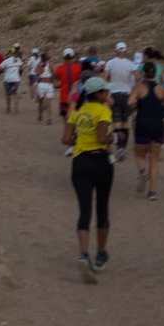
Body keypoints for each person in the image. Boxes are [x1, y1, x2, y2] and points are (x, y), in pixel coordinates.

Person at [62, 76, 115, 283]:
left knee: (84, 211)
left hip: (80, 162)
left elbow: (65, 139)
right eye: (105, 91)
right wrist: (115, 138)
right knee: (102, 208)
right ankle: (101, 253)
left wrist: (81, 139)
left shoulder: (76, 112)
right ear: (98, 94)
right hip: (101, 162)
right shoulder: (103, 111)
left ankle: (84, 254)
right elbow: (102, 137)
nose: (107, 94)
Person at [128, 61, 164, 200]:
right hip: (157, 125)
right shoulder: (162, 89)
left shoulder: (138, 87)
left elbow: (129, 103)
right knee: (154, 160)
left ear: (143, 72)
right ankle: (152, 191)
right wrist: (163, 103)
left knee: (139, 154)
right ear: (155, 73)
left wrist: (138, 106)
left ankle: (143, 172)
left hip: (142, 123)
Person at [103, 42, 138, 160]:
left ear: (116, 51)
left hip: (114, 95)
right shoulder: (130, 63)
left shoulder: (110, 63)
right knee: (125, 123)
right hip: (127, 95)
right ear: (126, 51)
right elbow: (138, 76)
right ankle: (124, 148)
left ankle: (120, 148)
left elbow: (105, 77)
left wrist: (107, 92)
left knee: (116, 124)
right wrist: (134, 89)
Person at [53, 49, 84, 121]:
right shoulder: (79, 68)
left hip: (64, 98)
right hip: (77, 98)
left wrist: (62, 85)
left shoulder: (59, 69)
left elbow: (55, 85)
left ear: (63, 57)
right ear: (73, 57)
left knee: (66, 124)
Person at [0, 48, 23, 113]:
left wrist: (4, 70)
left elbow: (0, 67)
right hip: (16, 79)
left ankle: (8, 108)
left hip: (8, 79)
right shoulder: (18, 59)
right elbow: (21, 68)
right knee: (15, 93)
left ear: (10, 54)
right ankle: (16, 108)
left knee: (8, 94)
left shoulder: (6, 61)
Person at [35, 52, 54, 123]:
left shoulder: (39, 65)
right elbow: (54, 73)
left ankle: (40, 116)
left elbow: (37, 73)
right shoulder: (50, 65)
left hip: (41, 84)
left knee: (40, 102)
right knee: (49, 103)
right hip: (49, 84)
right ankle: (49, 117)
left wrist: (42, 69)